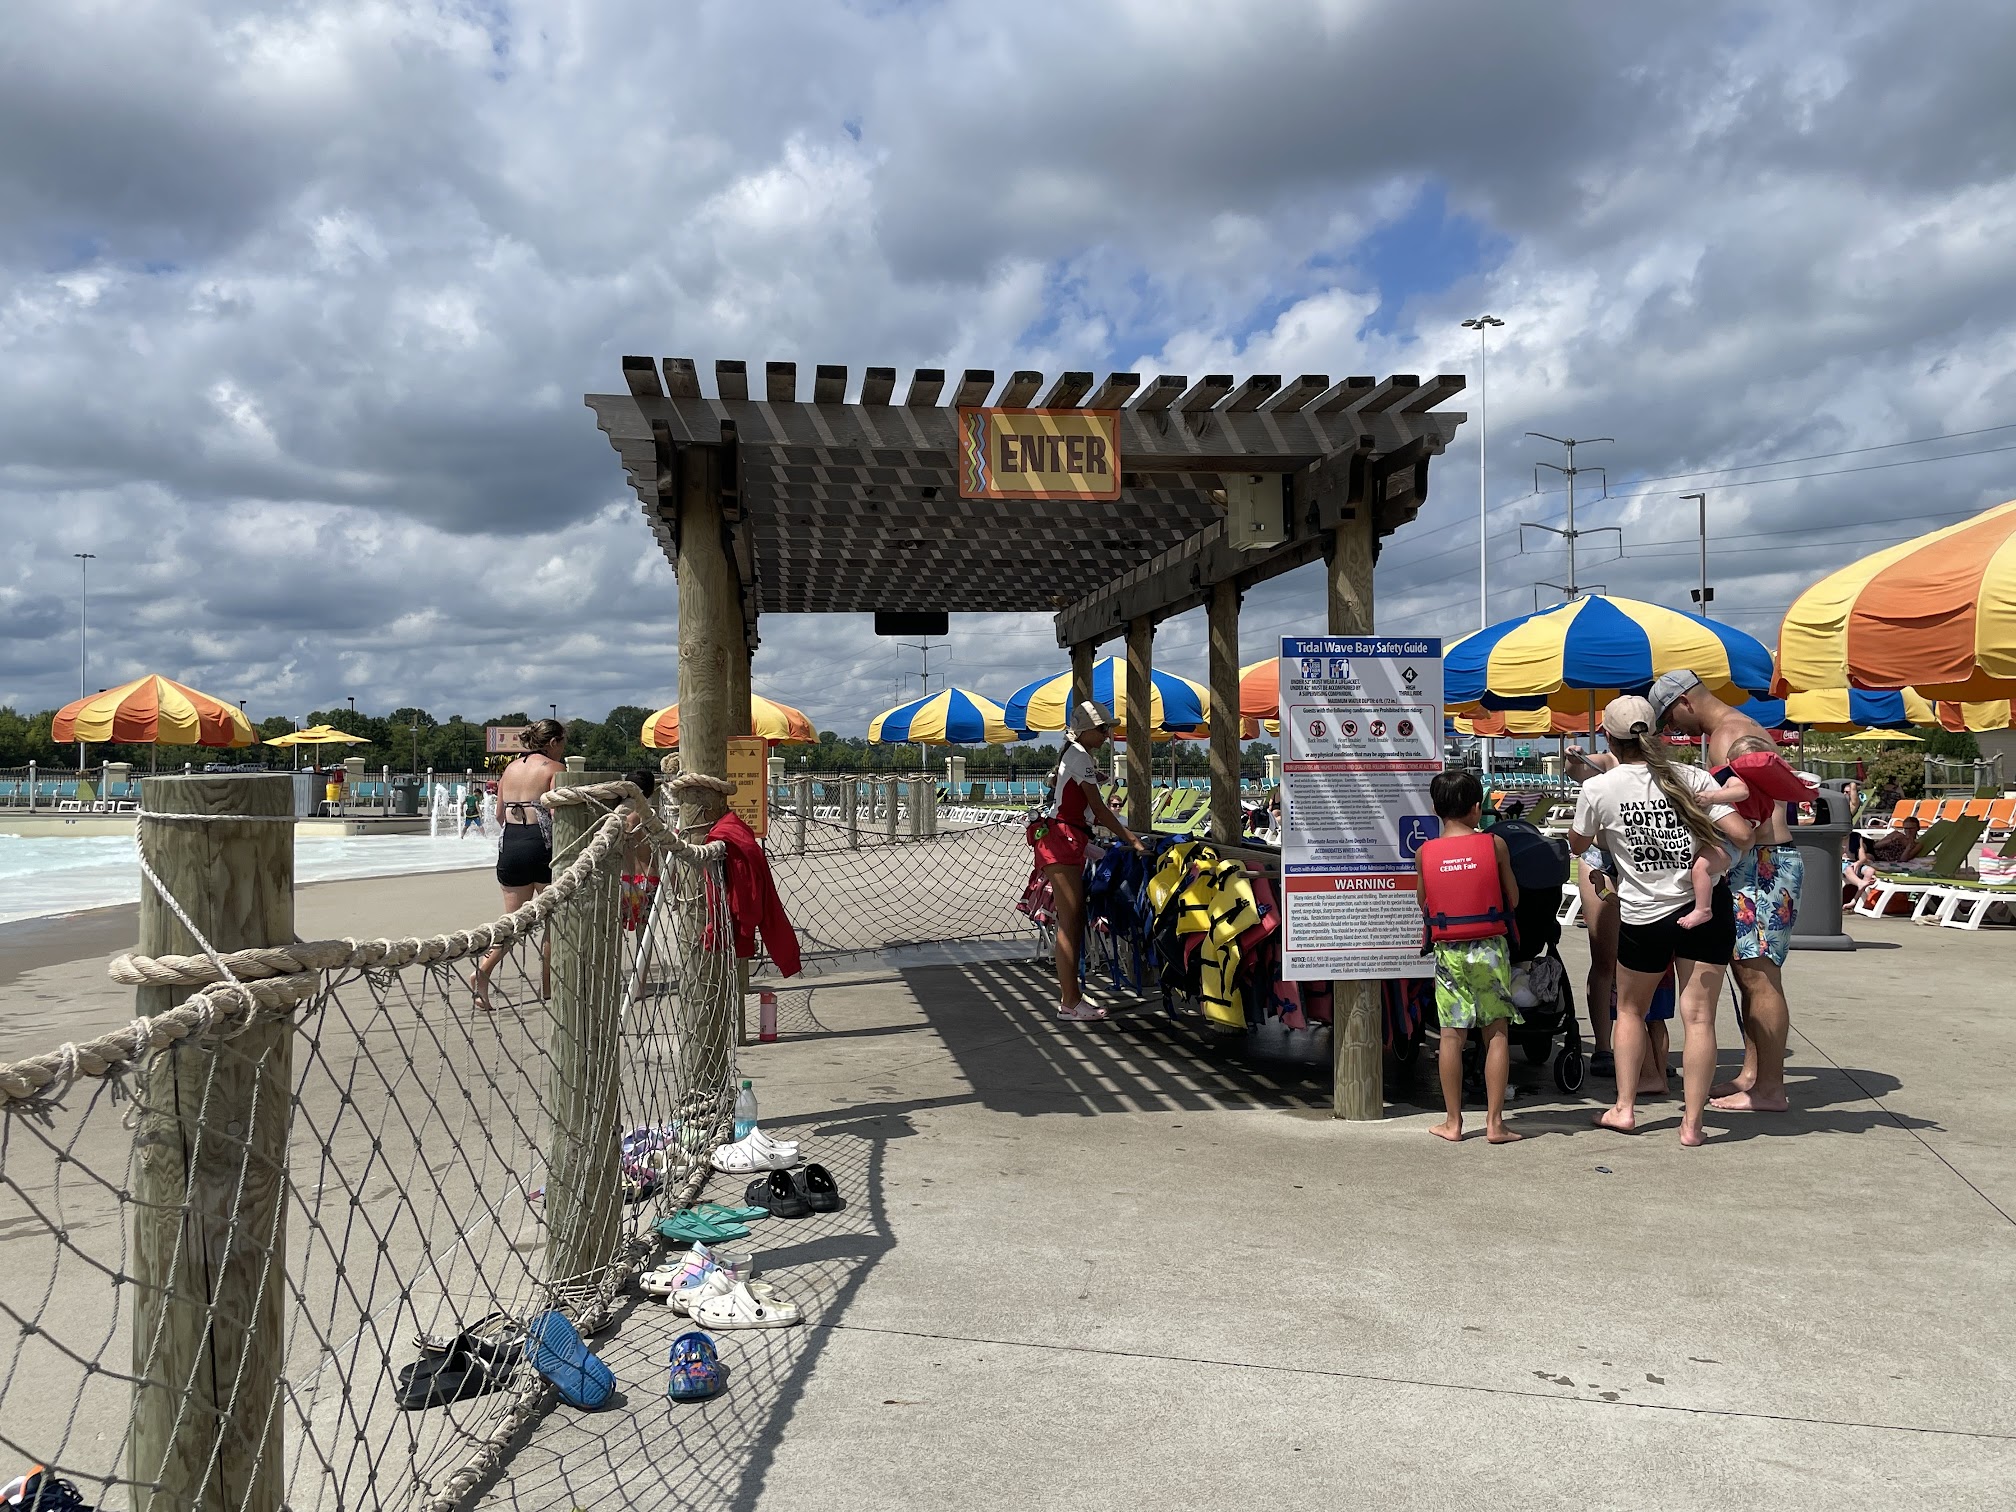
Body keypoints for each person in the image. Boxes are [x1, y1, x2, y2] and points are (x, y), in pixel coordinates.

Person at [1569, 695, 1752, 1147]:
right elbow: (1743, 834)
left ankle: (1624, 1108)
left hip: (1644, 913)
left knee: (1630, 1010)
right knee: (1700, 1019)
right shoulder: (1692, 777)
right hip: (1703, 907)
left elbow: (1577, 844)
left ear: (1608, 737)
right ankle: (1692, 1124)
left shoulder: (1600, 787)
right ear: (1656, 732)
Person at [1649, 671, 1800, 1113]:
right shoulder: (1735, 730)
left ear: (1685, 701)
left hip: (1763, 863)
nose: (1672, 728)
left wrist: (1706, 808)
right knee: (1746, 973)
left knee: (1759, 976)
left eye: (1669, 717)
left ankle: (1770, 1088)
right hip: (1759, 862)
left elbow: (1751, 805)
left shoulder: (1731, 736)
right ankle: (1754, 1076)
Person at [1416, 769, 1523, 1145]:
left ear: (1435, 809)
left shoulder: (1424, 853)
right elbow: (1513, 898)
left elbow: (1423, 901)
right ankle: (1495, 1123)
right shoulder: (1495, 846)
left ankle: (1453, 1122)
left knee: (1450, 1036)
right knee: (1496, 1034)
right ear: (1477, 809)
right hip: (1490, 948)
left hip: (1449, 951)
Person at [1033, 702, 1146, 1022]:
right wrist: (1133, 840)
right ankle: (1070, 1002)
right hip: (1063, 842)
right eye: (1102, 728)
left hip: (1064, 840)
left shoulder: (1076, 755)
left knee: (1072, 921)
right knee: (1070, 923)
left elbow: (1081, 804)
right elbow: (1099, 810)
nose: (1107, 734)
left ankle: (1071, 997)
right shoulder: (1080, 756)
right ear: (1083, 731)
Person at [471, 718, 565, 1010]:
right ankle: (548, 987)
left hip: (511, 844)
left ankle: (483, 972)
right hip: (542, 845)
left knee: (511, 923)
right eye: (562, 743)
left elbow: (499, 815)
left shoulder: (510, 769)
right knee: (554, 922)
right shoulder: (555, 769)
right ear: (553, 742)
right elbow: (558, 815)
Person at [1680, 735, 1815, 930]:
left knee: (1700, 868)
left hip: (1732, 845)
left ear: (1729, 761)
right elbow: (1761, 828)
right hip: (1741, 849)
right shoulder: (1766, 792)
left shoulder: (1733, 777)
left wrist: (1712, 797)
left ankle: (1703, 909)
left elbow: (1742, 793)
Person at [1563, 743, 1623, 1079]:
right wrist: (1572, 759)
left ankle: (1648, 1051)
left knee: (1644, 961)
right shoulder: (1606, 762)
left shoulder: (1659, 767)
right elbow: (1576, 770)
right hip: (1602, 858)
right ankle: (1603, 1046)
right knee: (1604, 957)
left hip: (1637, 860)